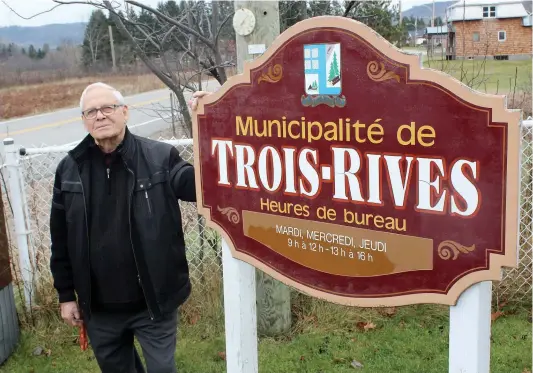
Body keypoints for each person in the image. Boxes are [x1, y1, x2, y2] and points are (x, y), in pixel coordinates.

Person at [49, 83, 210, 373]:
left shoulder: (160, 158)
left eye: (107, 108)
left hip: (152, 303)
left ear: (125, 112)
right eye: (91, 111)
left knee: (162, 369)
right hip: (98, 311)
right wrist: (65, 296)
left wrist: (213, 121)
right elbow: (60, 240)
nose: (100, 116)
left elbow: (204, 185)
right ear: (84, 120)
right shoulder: (69, 168)